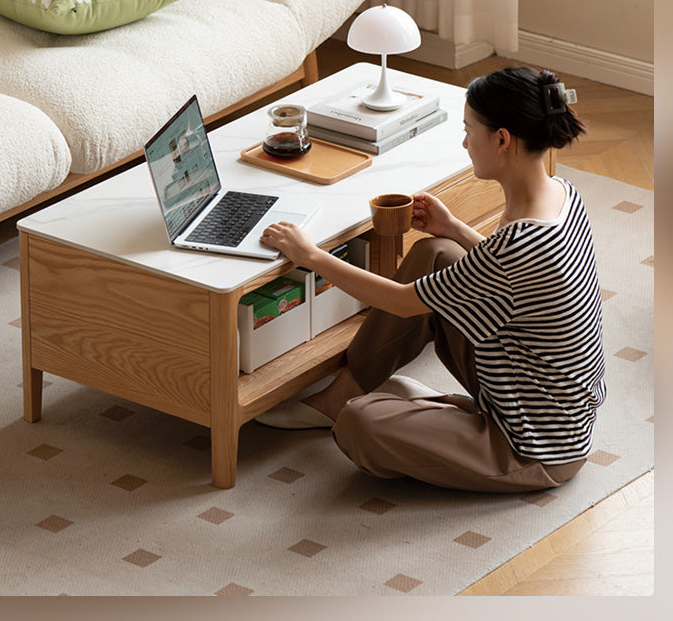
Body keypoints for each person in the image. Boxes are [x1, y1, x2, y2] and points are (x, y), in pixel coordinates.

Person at [257, 66, 606, 493]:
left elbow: (405, 302)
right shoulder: (562, 193)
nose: (464, 142)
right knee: (437, 253)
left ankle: (396, 409)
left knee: (359, 423)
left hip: (533, 447)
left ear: (501, 139)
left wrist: (310, 255)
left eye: (468, 130)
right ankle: (347, 395)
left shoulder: (519, 243)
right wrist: (455, 228)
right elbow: (513, 279)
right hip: (529, 392)